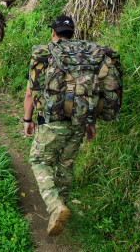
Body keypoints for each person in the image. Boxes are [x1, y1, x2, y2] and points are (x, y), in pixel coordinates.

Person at [23, 15, 122, 236]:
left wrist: (28, 120)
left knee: (39, 159)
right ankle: (60, 210)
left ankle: (55, 206)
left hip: (53, 122)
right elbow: (93, 91)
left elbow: (31, 92)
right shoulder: (89, 54)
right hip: (80, 120)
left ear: (53, 33)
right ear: (72, 33)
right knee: (66, 165)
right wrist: (90, 123)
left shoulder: (47, 53)